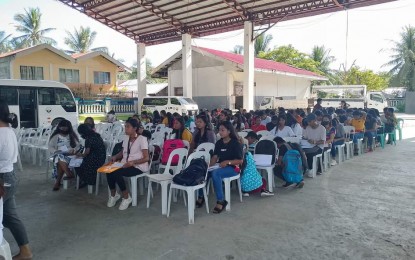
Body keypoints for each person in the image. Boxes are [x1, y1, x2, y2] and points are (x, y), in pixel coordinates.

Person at [0, 100, 33, 259]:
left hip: (2, 179)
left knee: (9, 217)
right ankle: (25, 251)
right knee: (10, 217)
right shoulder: (9, 129)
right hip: (9, 176)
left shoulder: (1, 133)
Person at [196, 121, 243, 214]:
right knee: (203, 171)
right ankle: (201, 196)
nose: (220, 132)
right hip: (220, 166)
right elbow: (215, 157)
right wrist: (209, 165)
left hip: (234, 167)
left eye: (223, 130)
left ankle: (221, 200)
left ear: (229, 131)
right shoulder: (219, 143)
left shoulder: (235, 143)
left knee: (216, 173)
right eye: (219, 130)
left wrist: (227, 162)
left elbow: (240, 160)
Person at [107, 118, 149, 210]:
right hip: (125, 163)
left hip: (137, 166)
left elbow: (146, 158)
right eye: (125, 126)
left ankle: (126, 197)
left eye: (128, 127)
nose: (125, 129)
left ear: (135, 128)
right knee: (109, 170)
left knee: (117, 172)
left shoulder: (142, 139)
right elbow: (123, 152)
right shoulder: (126, 138)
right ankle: (114, 195)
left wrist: (133, 162)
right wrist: (115, 156)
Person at [48, 119, 80, 191]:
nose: (64, 128)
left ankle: (58, 182)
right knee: (59, 157)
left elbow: (78, 145)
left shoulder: (72, 135)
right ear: (59, 127)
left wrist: (73, 150)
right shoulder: (56, 136)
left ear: (69, 127)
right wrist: (56, 150)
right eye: (62, 127)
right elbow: (50, 146)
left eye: (66, 127)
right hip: (59, 153)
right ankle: (68, 173)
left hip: (71, 154)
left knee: (60, 160)